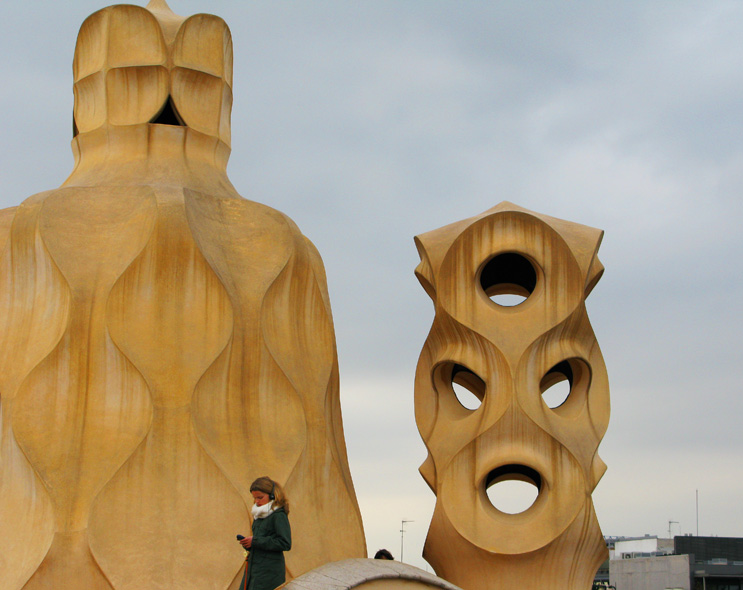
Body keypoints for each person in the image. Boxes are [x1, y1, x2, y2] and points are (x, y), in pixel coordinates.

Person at [238, 476, 292, 590]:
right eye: (255, 498)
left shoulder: (278, 515)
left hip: (269, 573)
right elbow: (261, 541)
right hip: (253, 569)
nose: (257, 501)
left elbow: (285, 543)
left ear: (272, 495)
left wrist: (255, 541)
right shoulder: (259, 515)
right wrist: (249, 543)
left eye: (260, 497)